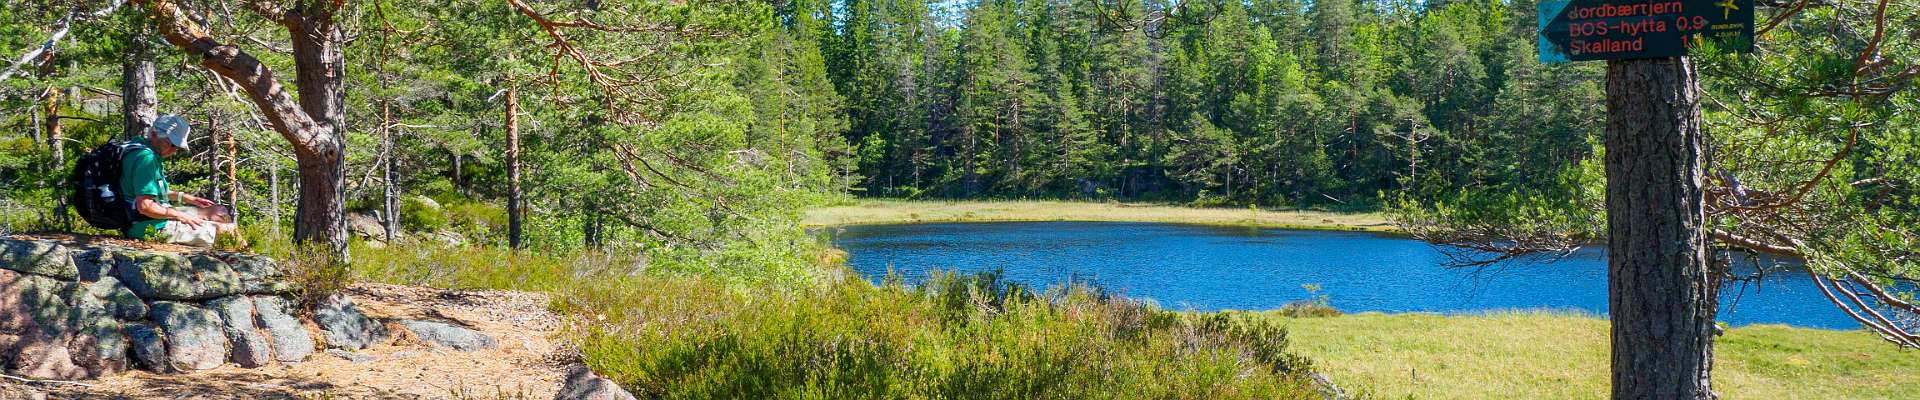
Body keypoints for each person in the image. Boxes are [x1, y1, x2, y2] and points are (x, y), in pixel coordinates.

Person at [122, 114, 236, 246]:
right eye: (169, 143)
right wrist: (180, 216)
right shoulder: (146, 159)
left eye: (177, 147)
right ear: (154, 134)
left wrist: (188, 198)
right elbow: (145, 206)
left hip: (153, 216)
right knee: (227, 231)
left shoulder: (141, 148)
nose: (173, 150)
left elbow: (153, 192)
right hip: (149, 226)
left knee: (218, 212)